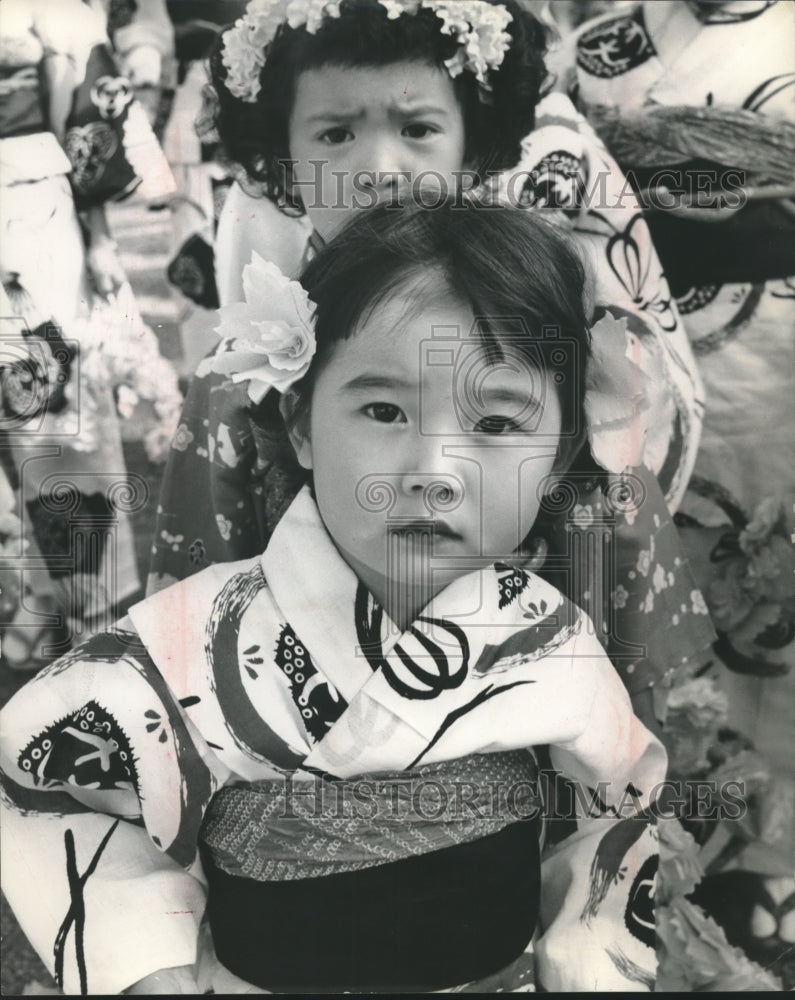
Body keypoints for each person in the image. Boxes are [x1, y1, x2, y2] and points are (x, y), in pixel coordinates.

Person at [0, 201, 667, 994]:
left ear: (558, 459)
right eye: (383, 410)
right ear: (303, 421)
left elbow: (608, 817)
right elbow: (49, 784)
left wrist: (591, 962)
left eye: (494, 420)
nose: (433, 467)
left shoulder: (552, 640)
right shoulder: (184, 644)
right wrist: (146, 965)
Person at [148, 0, 715, 728]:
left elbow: (615, 559)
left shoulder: (556, 340)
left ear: (470, 145)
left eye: (416, 129)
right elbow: (193, 615)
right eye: (334, 133)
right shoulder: (240, 382)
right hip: (296, 734)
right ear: (284, 160)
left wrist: (627, 731)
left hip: (526, 719)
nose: (379, 169)